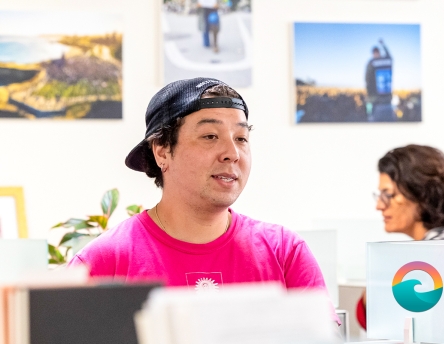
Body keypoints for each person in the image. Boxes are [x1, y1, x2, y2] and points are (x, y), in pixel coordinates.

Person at [69, 77, 339, 325]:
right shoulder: (103, 262)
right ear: (162, 150)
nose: (232, 154)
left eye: (241, 138)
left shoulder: (284, 252)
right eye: (210, 136)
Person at [356, 144, 444, 330]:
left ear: (419, 193)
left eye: (387, 195)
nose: (379, 205)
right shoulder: (438, 251)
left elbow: (385, 322)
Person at [365, 39, 394, 122]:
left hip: (384, 99)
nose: (376, 55)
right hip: (376, 99)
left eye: (377, 53)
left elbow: (389, 57)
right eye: (374, 53)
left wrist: (383, 45)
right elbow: (367, 79)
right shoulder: (371, 63)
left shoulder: (380, 62)